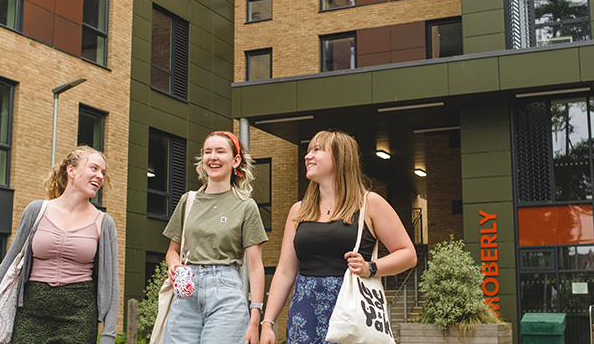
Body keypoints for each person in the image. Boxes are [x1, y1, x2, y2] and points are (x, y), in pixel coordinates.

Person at [259, 129, 417, 344]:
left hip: (351, 311)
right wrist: (267, 322)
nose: (308, 156)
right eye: (308, 151)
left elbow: (408, 254)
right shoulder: (298, 211)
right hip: (304, 314)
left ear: (340, 157)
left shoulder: (369, 203)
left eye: (317, 150)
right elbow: (285, 271)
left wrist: (371, 268)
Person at [0, 146, 120, 344]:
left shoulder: (104, 222)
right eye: (94, 168)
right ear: (71, 171)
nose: (100, 176)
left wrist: (108, 336)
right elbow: (9, 263)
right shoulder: (36, 211)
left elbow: (111, 283)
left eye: (103, 172)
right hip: (32, 312)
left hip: (79, 315)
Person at [162, 131, 269, 344]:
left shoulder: (246, 206)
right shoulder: (188, 201)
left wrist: (255, 318)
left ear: (235, 160)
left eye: (220, 151)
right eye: (207, 152)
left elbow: (256, 266)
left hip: (226, 291)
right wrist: (174, 265)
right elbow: (173, 251)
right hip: (185, 293)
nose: (213, 157)